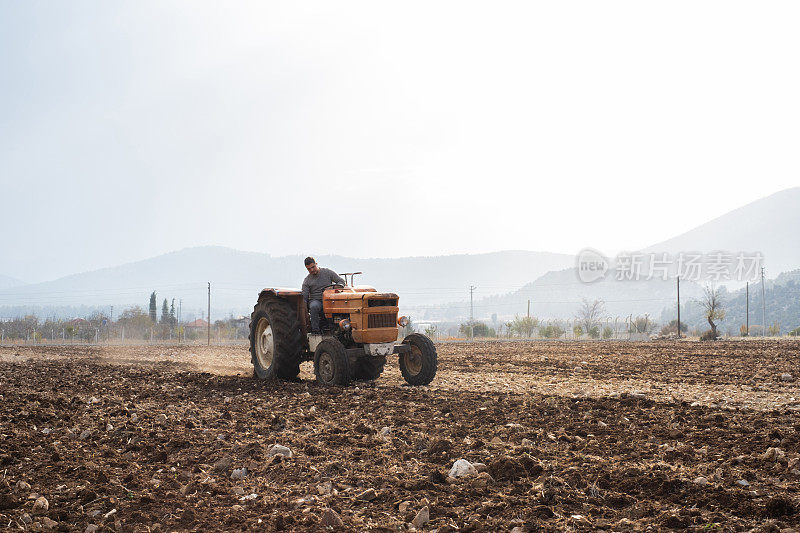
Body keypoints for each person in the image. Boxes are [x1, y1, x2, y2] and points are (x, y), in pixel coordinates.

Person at [302, 257, 345, 334]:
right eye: (309, 269)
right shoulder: (307, 281)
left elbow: (341, 281)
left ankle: (340, 328)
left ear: (316, 264)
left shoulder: (327, 272)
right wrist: (305, 313)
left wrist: (338, 286)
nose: (312, 270)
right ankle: (315, 331)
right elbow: (304, 298)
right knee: (313, 306)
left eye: (313, 267)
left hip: (330, 299)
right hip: (316, 300)